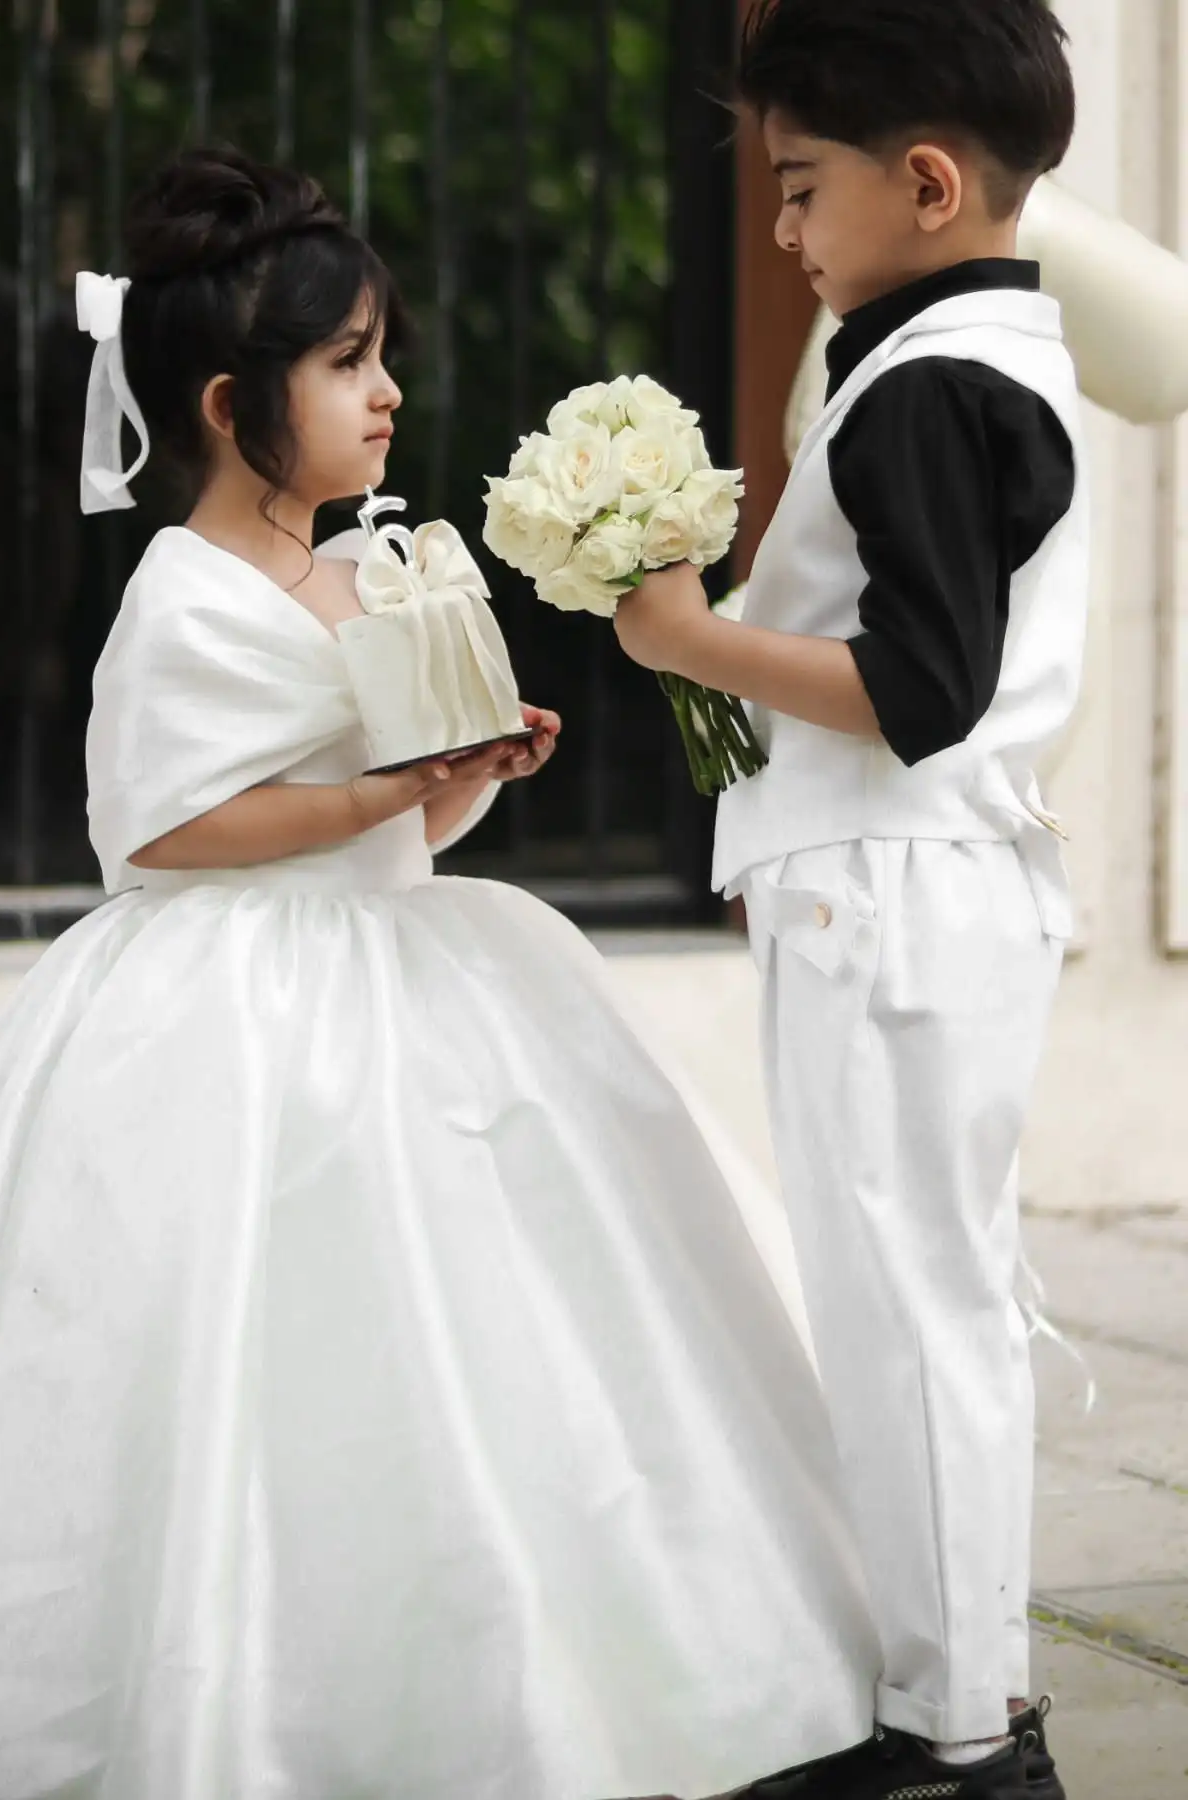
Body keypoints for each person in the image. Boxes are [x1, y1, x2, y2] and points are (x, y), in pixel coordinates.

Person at [0, 145, 878, 1800]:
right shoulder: (179, 594)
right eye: (347, 364)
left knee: (489, 1331)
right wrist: (376, 792)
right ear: (226, 401)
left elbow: (402, 827)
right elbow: (165, 827)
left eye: (381, 356)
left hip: (398, 958)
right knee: (228, 1347)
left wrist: (471, 768)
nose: (388, 393)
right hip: (224, 999)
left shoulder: (373, 568)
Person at [614, 4, 1083, 1797]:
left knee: (910, 1312)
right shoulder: (977, 355)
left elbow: (918, 686)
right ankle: (962, 1704)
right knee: (926, 1304)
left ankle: (960, 1740)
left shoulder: (928, 385)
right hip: (922, 893)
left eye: (801, 191)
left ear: (930, 179)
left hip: (898, 902)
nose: (787, 234)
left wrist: (684, 636)